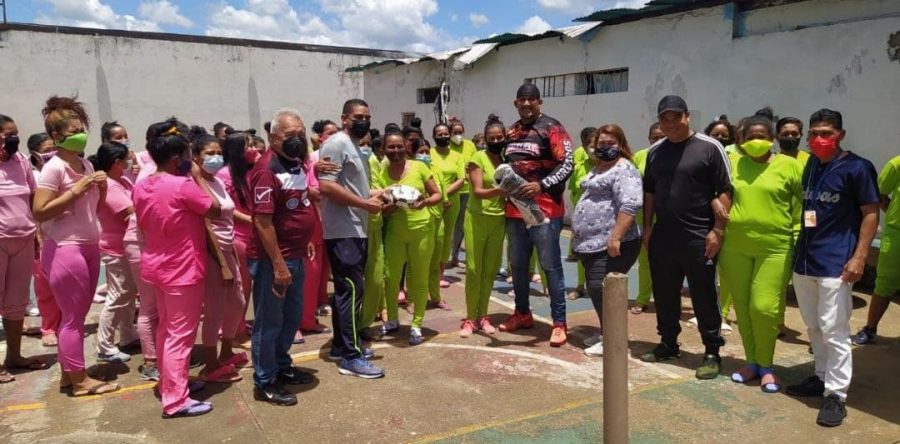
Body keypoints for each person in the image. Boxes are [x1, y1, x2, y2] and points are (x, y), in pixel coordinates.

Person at [786, 109, 879, 427]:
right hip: (806, 261)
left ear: (840, 134)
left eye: (825, 133)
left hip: (836, 263)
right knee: (813, 326)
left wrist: (860, 256)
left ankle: (836, 396)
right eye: (813, 134)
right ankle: (821, 377)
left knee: (835, 330)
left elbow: (870, 212)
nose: (818, 139)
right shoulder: (811, 164)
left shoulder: (858, 167)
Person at [640, 95, 732, 380]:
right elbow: (650, 192)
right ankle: (668, 344)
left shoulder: (710, 147)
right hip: (664, 236)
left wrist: (717, 230)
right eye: (664, 118)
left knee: (703, 295)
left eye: (675, 117)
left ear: (687, 116)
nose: (670, 123)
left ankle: (712, 351)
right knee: (665, 294)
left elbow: (726, 189)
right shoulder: (655, 152)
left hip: (698, 236)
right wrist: (647, 228)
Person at [133, 118, 220, 418]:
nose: (190, 161)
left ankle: (171, 383)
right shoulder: (183, 185)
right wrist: (197, 177)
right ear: (176, 159)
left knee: (166, 329)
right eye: (186, 157)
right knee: (180, 335)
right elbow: (215, 209)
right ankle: (175, 399)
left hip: (157, 265)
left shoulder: (142, 185)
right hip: (182, 269)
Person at [33, 96, 118, 396]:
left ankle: (71, 375)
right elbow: (39, 211)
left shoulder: (85, 163)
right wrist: (75, 191)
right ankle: (79, 381)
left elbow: (94, 210)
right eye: (74, 131)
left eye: (82, 128)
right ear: (57, 137)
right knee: (72, 318)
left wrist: (102, 188)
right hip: (65, 247)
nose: (81, 134)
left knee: (77, 316)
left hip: (89, 245)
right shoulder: (53, 168)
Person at [717, 114, 802, 393]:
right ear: (740, 140)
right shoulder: (730, 164)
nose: (756, 141)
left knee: (763, 308)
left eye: (762, 136)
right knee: (742, 307)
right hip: (735, 247)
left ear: (772, 139)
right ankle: (752, 361)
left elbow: (807, 203)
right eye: (750, 136)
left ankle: (767, 366)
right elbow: (713, 190)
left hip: (775, 247)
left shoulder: (789, 166)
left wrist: (804, 234)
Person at [247, 109, 317, 405]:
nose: (298, 140)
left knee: (291, 317)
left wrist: (307, 240)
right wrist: (277, 264)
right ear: (273, 138)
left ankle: (281, 365)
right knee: (269, 321)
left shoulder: (296, 163)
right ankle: (265, 380)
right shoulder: (266, 170)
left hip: (296, 255)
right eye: (291, 135)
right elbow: (263, 222)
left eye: (301, 134)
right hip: (274, 261)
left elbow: (297, 206)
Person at [498, 83, 574, 347]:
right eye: (522, 100)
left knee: (551, 266)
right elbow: (505, 165)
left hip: (545, 211)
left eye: (532, 100)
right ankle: (522, 313)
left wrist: (541, 184)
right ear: (516, 103)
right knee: (517, 266)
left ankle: (560, 323)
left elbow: (568, 164)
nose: (527, 104)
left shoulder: (553, 128)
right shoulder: (512, 131)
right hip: (515, 210)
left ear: (539, 102)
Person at [318, 99, 385, 377]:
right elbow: (327, 186)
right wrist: (363, 204)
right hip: (343, 231)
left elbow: (355, 189)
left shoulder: (356, 147)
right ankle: (351, 356)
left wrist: (384, 193)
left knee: (349, 292)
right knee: (351, 292)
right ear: (344, 118)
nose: (364, 121)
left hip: (356, 228)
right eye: (358, 116)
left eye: (367, 116)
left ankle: (341, 345)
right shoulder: (336, 144)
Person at [572, 124, 643, 356]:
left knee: (600, 288)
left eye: (610, 143)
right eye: (600, 144)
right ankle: (607, 333)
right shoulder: (600, 168)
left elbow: (630, 204)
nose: (604, 148)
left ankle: (613, 340)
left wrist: (616, 237)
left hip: (613, 243)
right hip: (592, 244)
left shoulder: (625, 169)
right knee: (597, 289)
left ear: (620, 145)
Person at [186, 129, 247, 384]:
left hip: (228, 247)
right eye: (209, 153)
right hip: (212, 252)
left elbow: (229, 213)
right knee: (215, 309)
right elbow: (208, 221)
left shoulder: (217, 180)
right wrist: (222, 264)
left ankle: (226, 352)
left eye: (219, 152)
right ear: (196, 158)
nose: (216, 157)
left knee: (237, 303)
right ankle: (210, 365)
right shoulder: (195, 184)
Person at [380, 128, 442, 345]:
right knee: (390, 277)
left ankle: (416, 324)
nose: (396, 150)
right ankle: (392, 320)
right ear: (384, 149)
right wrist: (392, 205)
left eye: (399, 146)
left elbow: (437, 194)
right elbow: (381, 207)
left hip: (422, 229)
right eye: (391, 147)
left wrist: (424, 202)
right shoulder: (382, 172)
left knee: (419, 277)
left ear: (406, 146)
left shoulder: (419, 167)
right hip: (395, 232)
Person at [0, 117, 49, 384]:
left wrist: (37, 234)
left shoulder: (19, 161)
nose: (13, 139)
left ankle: (14, 356)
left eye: (15, 134)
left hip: (23, 239)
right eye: (8, 134)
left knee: (16, 302)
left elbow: (32, 197)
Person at [91, 143, 141, 364]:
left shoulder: (122, 181)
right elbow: (130, 211)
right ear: (116, 162)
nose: (128, 163)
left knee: (128, 294)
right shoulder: (110, 186)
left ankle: (128, 335)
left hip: (126, 246)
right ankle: (105, 345)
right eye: (124, 160)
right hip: (116, 247)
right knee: (118, 295)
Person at [459, 115, 508, 337]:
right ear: (485, 139)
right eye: (491, 137)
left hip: (498, 220)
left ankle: (484, 316)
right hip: (477, 218)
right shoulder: (477, 158)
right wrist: (501, 191)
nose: (496, 140)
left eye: (499, 137)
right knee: (473, 269)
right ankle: (470, 318)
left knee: (489, 271)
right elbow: (478, 191)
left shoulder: (506, 160)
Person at [853, 154, 900, 345]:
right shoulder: (897, 164)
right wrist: (893, 214)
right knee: (884, 283)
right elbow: (878, 194)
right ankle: (870, 328)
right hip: (897, 233)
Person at [219, 133, 257, 348]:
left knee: (246, 285)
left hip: (251, 234)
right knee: (238, 289)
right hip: (236, 237)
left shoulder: (249, 173)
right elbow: (229, 210)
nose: (253, 150)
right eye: (248, 146)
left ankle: (237, 327)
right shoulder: (225, 175)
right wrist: (253, 220)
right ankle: (236, 334)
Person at [26, 132, 62, 347]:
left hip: (64, 235)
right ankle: (48, 327)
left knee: (64, 285)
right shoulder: (32, 176)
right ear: (36, 154)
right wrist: (37, 236)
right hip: (41, 236)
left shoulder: (61, 169)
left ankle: (64, 324)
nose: (52, 153)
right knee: (45, 287)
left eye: (54, 148)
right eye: (47, 149)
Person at [629, 123, 664, 314]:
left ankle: (664, 298)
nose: (657, 141)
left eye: (661, 137)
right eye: (654, 138)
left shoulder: (676, 154)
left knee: (669, 262)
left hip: (670, 215)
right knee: (645, 260)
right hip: (646, 214)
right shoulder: (641, 156)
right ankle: (643, 298)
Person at [430, 123, 466, 293]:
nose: (443, 136)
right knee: (433, 235)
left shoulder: (457, 156)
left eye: (446, 134)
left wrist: (445, 194)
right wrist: (438, 196)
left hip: (452, 202)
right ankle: (428, 271)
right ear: (434, 136)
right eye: (439, 134)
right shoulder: (428, 154)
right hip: (432, 201)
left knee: (446, 237)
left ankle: (440, 274)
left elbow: (461, 179)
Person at [566, 127, 597, 299]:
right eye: (589, 145)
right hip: (583, 219)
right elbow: (573, 192)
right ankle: (580, 286)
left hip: (604, 221)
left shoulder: (608, 166)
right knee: (582, 254)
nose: (593, 149)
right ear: (584, 147)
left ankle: (600, 287)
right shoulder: (579, 168)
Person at [448, 119, 477, 268]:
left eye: (460, 132)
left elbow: (475, 164)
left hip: (468, 190)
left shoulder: (470, 145)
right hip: (452, 190)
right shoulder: (446, 146)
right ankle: (444, 255)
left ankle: (455, 256)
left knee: (462, 225)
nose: (458, 135)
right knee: (449, 224)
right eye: (455, 132)